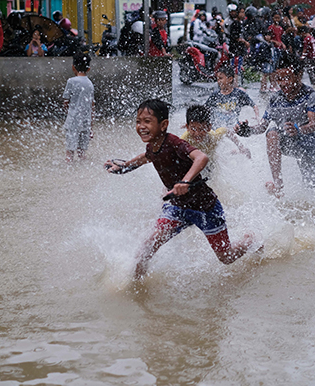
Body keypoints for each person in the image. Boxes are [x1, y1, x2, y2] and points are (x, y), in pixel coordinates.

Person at [104, 99, 256, 282]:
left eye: (147, 121)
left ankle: (250, 240)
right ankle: (135, 291)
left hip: (205, 208)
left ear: (164, 125)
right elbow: (147, 157)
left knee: (226, 257)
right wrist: (124, 166)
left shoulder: (176, 142)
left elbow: (201, 157)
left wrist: (185, 181)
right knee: (146, 248)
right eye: (138, 121)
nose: (141, 126)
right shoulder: (153, 145)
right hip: (177, 207)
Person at [234, 53, 315, 192]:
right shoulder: (276, 98)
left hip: (308, 147)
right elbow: (262, 127)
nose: (284, 83)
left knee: (312, 188)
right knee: (272, 133)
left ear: (298, 75)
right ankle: (278, 185)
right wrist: (247, 130)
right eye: (279, 79)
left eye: (287, 78)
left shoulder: (308, 93)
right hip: (288, 143)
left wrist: (298, 129)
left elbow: (314, 125)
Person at [180, 105, 251, 178]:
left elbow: (227, 131)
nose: (197, 133)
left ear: (209, 127)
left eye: (201, 129)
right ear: (187, 127)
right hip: (194, 161)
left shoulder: (213, 137)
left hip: (211, 159)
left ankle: (234, 152)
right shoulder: (184, 140)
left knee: (213, 175)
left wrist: (241, 147)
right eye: (193, 129)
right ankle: (233, 152)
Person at [62, 52, 94, 162]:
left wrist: (68, 112)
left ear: (73, 67)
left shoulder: (71, 81)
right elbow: (92, 106)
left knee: (69, 152)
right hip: (85, 121)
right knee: (82, 153)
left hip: (73, 121)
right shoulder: (90, 84)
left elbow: (66, 102)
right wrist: (91, 127)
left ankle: (69, 174)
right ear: (88, 69)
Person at [228, 6, 249, 81]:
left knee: (238, 68)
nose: (243, 14)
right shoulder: (235, 23)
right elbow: (235, 37)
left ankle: (236, 84)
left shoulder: (241, 23)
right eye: (241, 12)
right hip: (235, 49)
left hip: (239, 50)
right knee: (235, 68)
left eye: (244, 12)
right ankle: (234, 85)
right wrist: (244, 42)